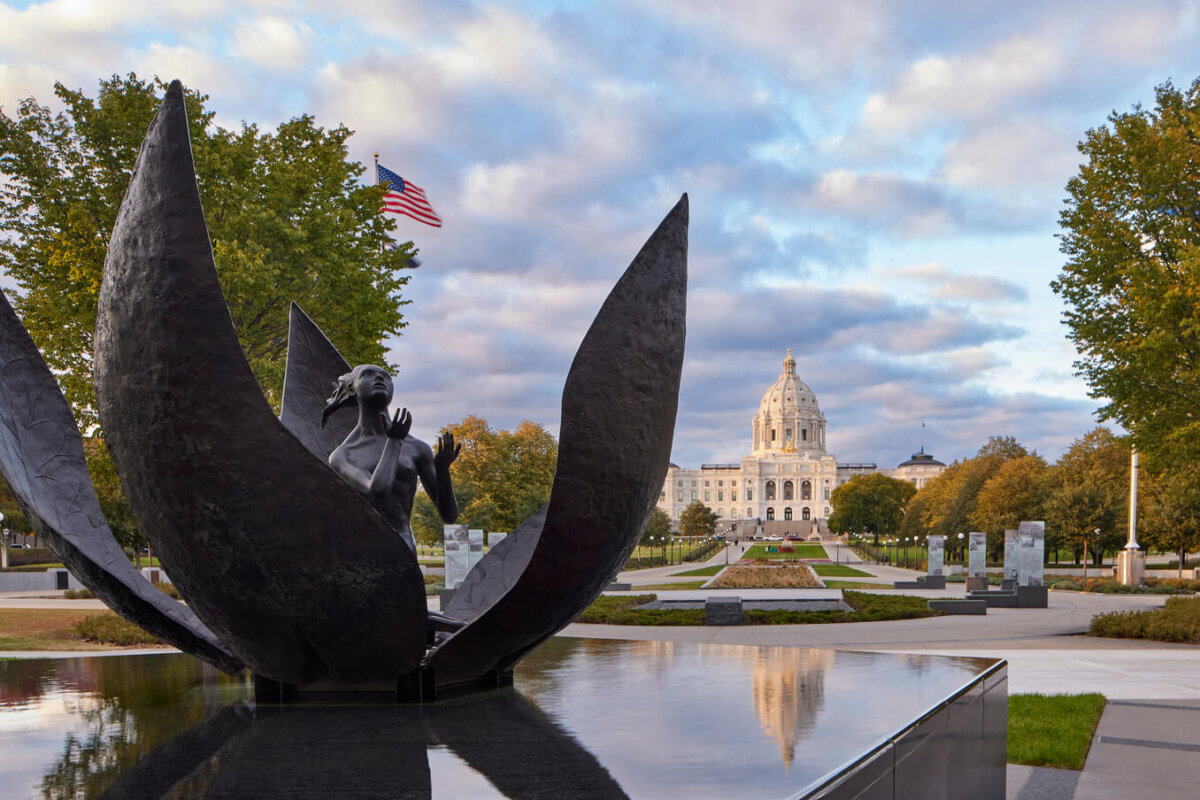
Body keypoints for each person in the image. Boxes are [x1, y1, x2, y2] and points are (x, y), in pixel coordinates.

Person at [322, 365, 459, 553]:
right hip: (360, 555)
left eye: (386, 376)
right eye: (368, 374)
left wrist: (443, 470)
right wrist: (394, 441)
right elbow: (376, 490)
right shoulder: (343, 455)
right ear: (352, 388)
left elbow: (449, 515)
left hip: (403, 553)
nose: (379, 378)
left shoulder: (417, 448)